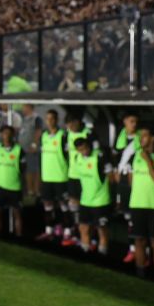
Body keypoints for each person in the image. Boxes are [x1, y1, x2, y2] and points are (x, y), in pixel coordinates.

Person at [129, 127, 154, 281]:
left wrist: (148, 160)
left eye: (145, 136)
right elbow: (131, 179)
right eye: (140, 136)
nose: (141, 139)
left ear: (153, 138)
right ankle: (140, 275)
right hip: (137, 204)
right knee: (139, 240)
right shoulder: (135, 155)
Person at [73, 136, 113, 255]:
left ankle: (102, 254)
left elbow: (111, 177)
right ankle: (85, 251)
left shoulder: (100, 157)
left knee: (102, 230)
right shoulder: (77, 158)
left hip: (101, 201)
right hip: (85, 200)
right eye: (81, 149)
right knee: (83, 228)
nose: (84, 151)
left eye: (85, 148)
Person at [36, 109, 70, 242]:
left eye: (52, 119)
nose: (50, 121)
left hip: (60, 177)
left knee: (64, 205)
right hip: (47, 177)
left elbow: (68, 156)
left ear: (57, 120)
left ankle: (67, 231)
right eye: (48, 118)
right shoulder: (44, 136)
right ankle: (49, 230)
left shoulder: (63, 136)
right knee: (48, 204)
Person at [113, 113, 140, 264]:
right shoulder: (120, 137)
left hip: (136, 183)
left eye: (136, 121)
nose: (134, 124)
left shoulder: (140, 139)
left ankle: (139, 251)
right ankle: (132, 249)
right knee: (128, 217)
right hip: (123, 181)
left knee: (136, 218)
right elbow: (116, 158)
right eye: (131, 121)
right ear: (125, 122)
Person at [63, 113, 92, 247]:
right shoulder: (67, 134)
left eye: (73, 123)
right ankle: (75, 234)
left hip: (86, 177)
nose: (71, 126)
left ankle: (90, 238)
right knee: (74, 206)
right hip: (73, 175)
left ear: (78, 122)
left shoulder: (88, 134)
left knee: (86, 207)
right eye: (69, 124)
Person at [0, 125, 24, 237]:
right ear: (2, 135)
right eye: (4, 133)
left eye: (9, 133)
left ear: (13, 135)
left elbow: (23, 167)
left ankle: (19, 238)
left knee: (17, 213)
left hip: (14, 187)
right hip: (0, 186)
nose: (6, 135)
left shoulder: (19, 150)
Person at [17, 104, 43, 198]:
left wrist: (34, 144)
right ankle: (29, 190)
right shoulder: (24, 119)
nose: (22, 108)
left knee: (34, 170)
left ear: (29, 107)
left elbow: (38, 131)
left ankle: (36, 190)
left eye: (24, 107)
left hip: (31, 149)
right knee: (27, 170)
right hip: (23, 149)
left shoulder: (36, 118)